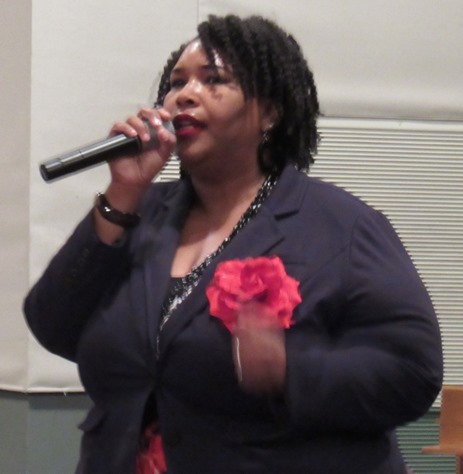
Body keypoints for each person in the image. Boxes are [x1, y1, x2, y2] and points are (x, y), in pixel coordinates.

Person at [24, 14, 443, 474]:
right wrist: (122, 193)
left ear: (270, 113)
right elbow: (53, 325)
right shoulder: (143, 216)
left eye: (213, 80)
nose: (184, 94)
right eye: (176, 82)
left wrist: (290, 369)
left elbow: (411, 373)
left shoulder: (341, 227)